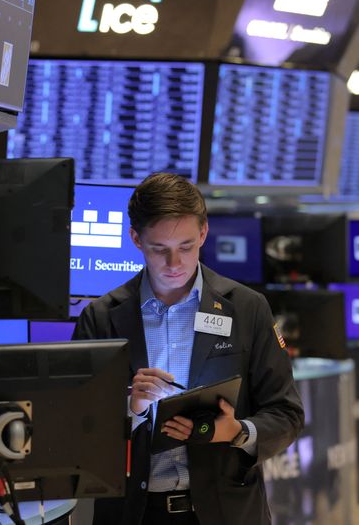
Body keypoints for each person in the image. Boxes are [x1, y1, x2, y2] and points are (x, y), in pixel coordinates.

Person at [72, 173, 304, 525]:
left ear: (203, 233)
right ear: (136, 239)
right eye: (159, 249)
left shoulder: (246, 308)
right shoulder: (102, 318)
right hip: (132, 513)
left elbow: (286, 414)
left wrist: (237, 432)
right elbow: (75, 429)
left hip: (227, 511)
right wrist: (130, 410)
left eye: (186, 246)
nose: (175, 264)